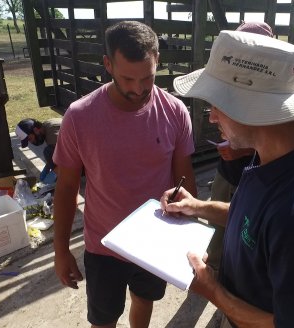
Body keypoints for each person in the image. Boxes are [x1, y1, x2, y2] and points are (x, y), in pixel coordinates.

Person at [162, 30, 294, 327]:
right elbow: (252, 222)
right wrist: (197, 206)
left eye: (217, 104)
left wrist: (213, 291)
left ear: (249, 104)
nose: (211, 117)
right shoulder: (269, 158)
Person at [52, 21, 197, 328]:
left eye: (147, 77)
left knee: (144, 301)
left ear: (157, 58)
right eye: (127, 78)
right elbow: (65, 188)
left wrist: (188, 237)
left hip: (155, 243)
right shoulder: (79, 117)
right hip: (103, 246)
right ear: (108, 64)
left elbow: (186, 182)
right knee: (103, 319)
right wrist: (61, 250)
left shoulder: (175, 112)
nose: (138, 89)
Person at [207, 21, 273, 271]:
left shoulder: (259, 96)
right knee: (220, 229)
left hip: (248, 174)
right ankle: (214, 266)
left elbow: (268, 141)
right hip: (228, 171)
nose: (213, 117)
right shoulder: (238, 89)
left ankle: (225, 275)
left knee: (242, 234)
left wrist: (243, 149)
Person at [15, 117, 62, 183]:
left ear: (36, 130)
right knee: (50, 152)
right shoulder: (46, 126)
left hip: (81, 156)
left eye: (30, 139)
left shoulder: (52, 135)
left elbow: (67, 159)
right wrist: (47, 168)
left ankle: (65, 176)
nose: (31, 142)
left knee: (48, 151)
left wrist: (53, 174)